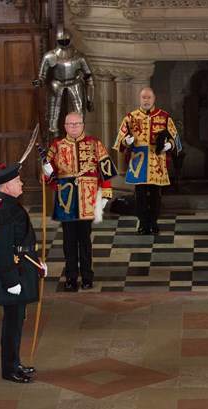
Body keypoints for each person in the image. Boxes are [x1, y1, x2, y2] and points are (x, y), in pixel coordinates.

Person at [42, 112, 117, 291]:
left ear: (82, 125)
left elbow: (105, 168)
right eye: (70, 124)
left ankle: (87, 277)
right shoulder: (57, 146)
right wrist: (46, 172)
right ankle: (70, 277)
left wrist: (105, 193)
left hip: (88, 198)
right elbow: (47, 174)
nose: (74, 127)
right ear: (65, 126)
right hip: (66, 199)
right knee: (68, 241)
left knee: (84, 239)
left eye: (77, 123)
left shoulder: (94, 143)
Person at [0, 163, 47, 383]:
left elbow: (22, 240)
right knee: (12, 323)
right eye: (17, 181)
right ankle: (9, 369)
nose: (21, 183)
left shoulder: (10, 204)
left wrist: (37, 262)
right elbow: (3, 248)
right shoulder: (4, 209)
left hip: (23, 265)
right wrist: (11, 280)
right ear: (6, 186)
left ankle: (15, 363)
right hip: (12, 272)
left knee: (17, 320)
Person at [113, 87, 182, 235]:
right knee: (140, 196)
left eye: (149, 97)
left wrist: (170, 144)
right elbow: (120, 139)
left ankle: (154, 224)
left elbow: (175, 136)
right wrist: (126, 140)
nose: (146, 100)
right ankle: (143, 224)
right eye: (143, 97)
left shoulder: (164, 116)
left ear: (154, 98)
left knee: (156, 196)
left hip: (157, 161)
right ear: (140, 99)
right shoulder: (130, 117)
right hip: (139, 162)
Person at [32, 24, 95, 137]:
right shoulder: (49, 56)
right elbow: (42, 74)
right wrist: (39, 81)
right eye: (62, 40)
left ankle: (79, 133)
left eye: (66, 40)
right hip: (57, 83)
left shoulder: (79, 56)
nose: (64, 43)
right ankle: (53, 131)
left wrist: (90, 99)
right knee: (53, 111)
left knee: (79, 109)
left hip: (75, 82)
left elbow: (89, 76)